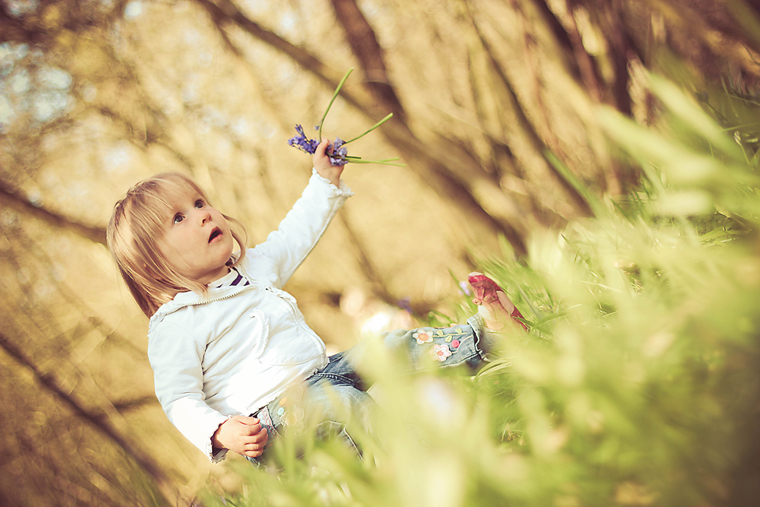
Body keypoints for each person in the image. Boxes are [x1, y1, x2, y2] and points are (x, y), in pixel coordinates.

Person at [107, 140, 526, 466]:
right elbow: (178, 397)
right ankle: (431, 463)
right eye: (178, 218)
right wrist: (218, 431)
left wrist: (324, 182)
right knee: (344, 408)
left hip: (324, 374)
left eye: (199, 203)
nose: (202, 215)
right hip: (275, 425)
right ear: (154, 263)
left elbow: (295, 234)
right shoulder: (176, 323)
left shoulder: (252, 270)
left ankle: (486, 337)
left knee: (389, 348)